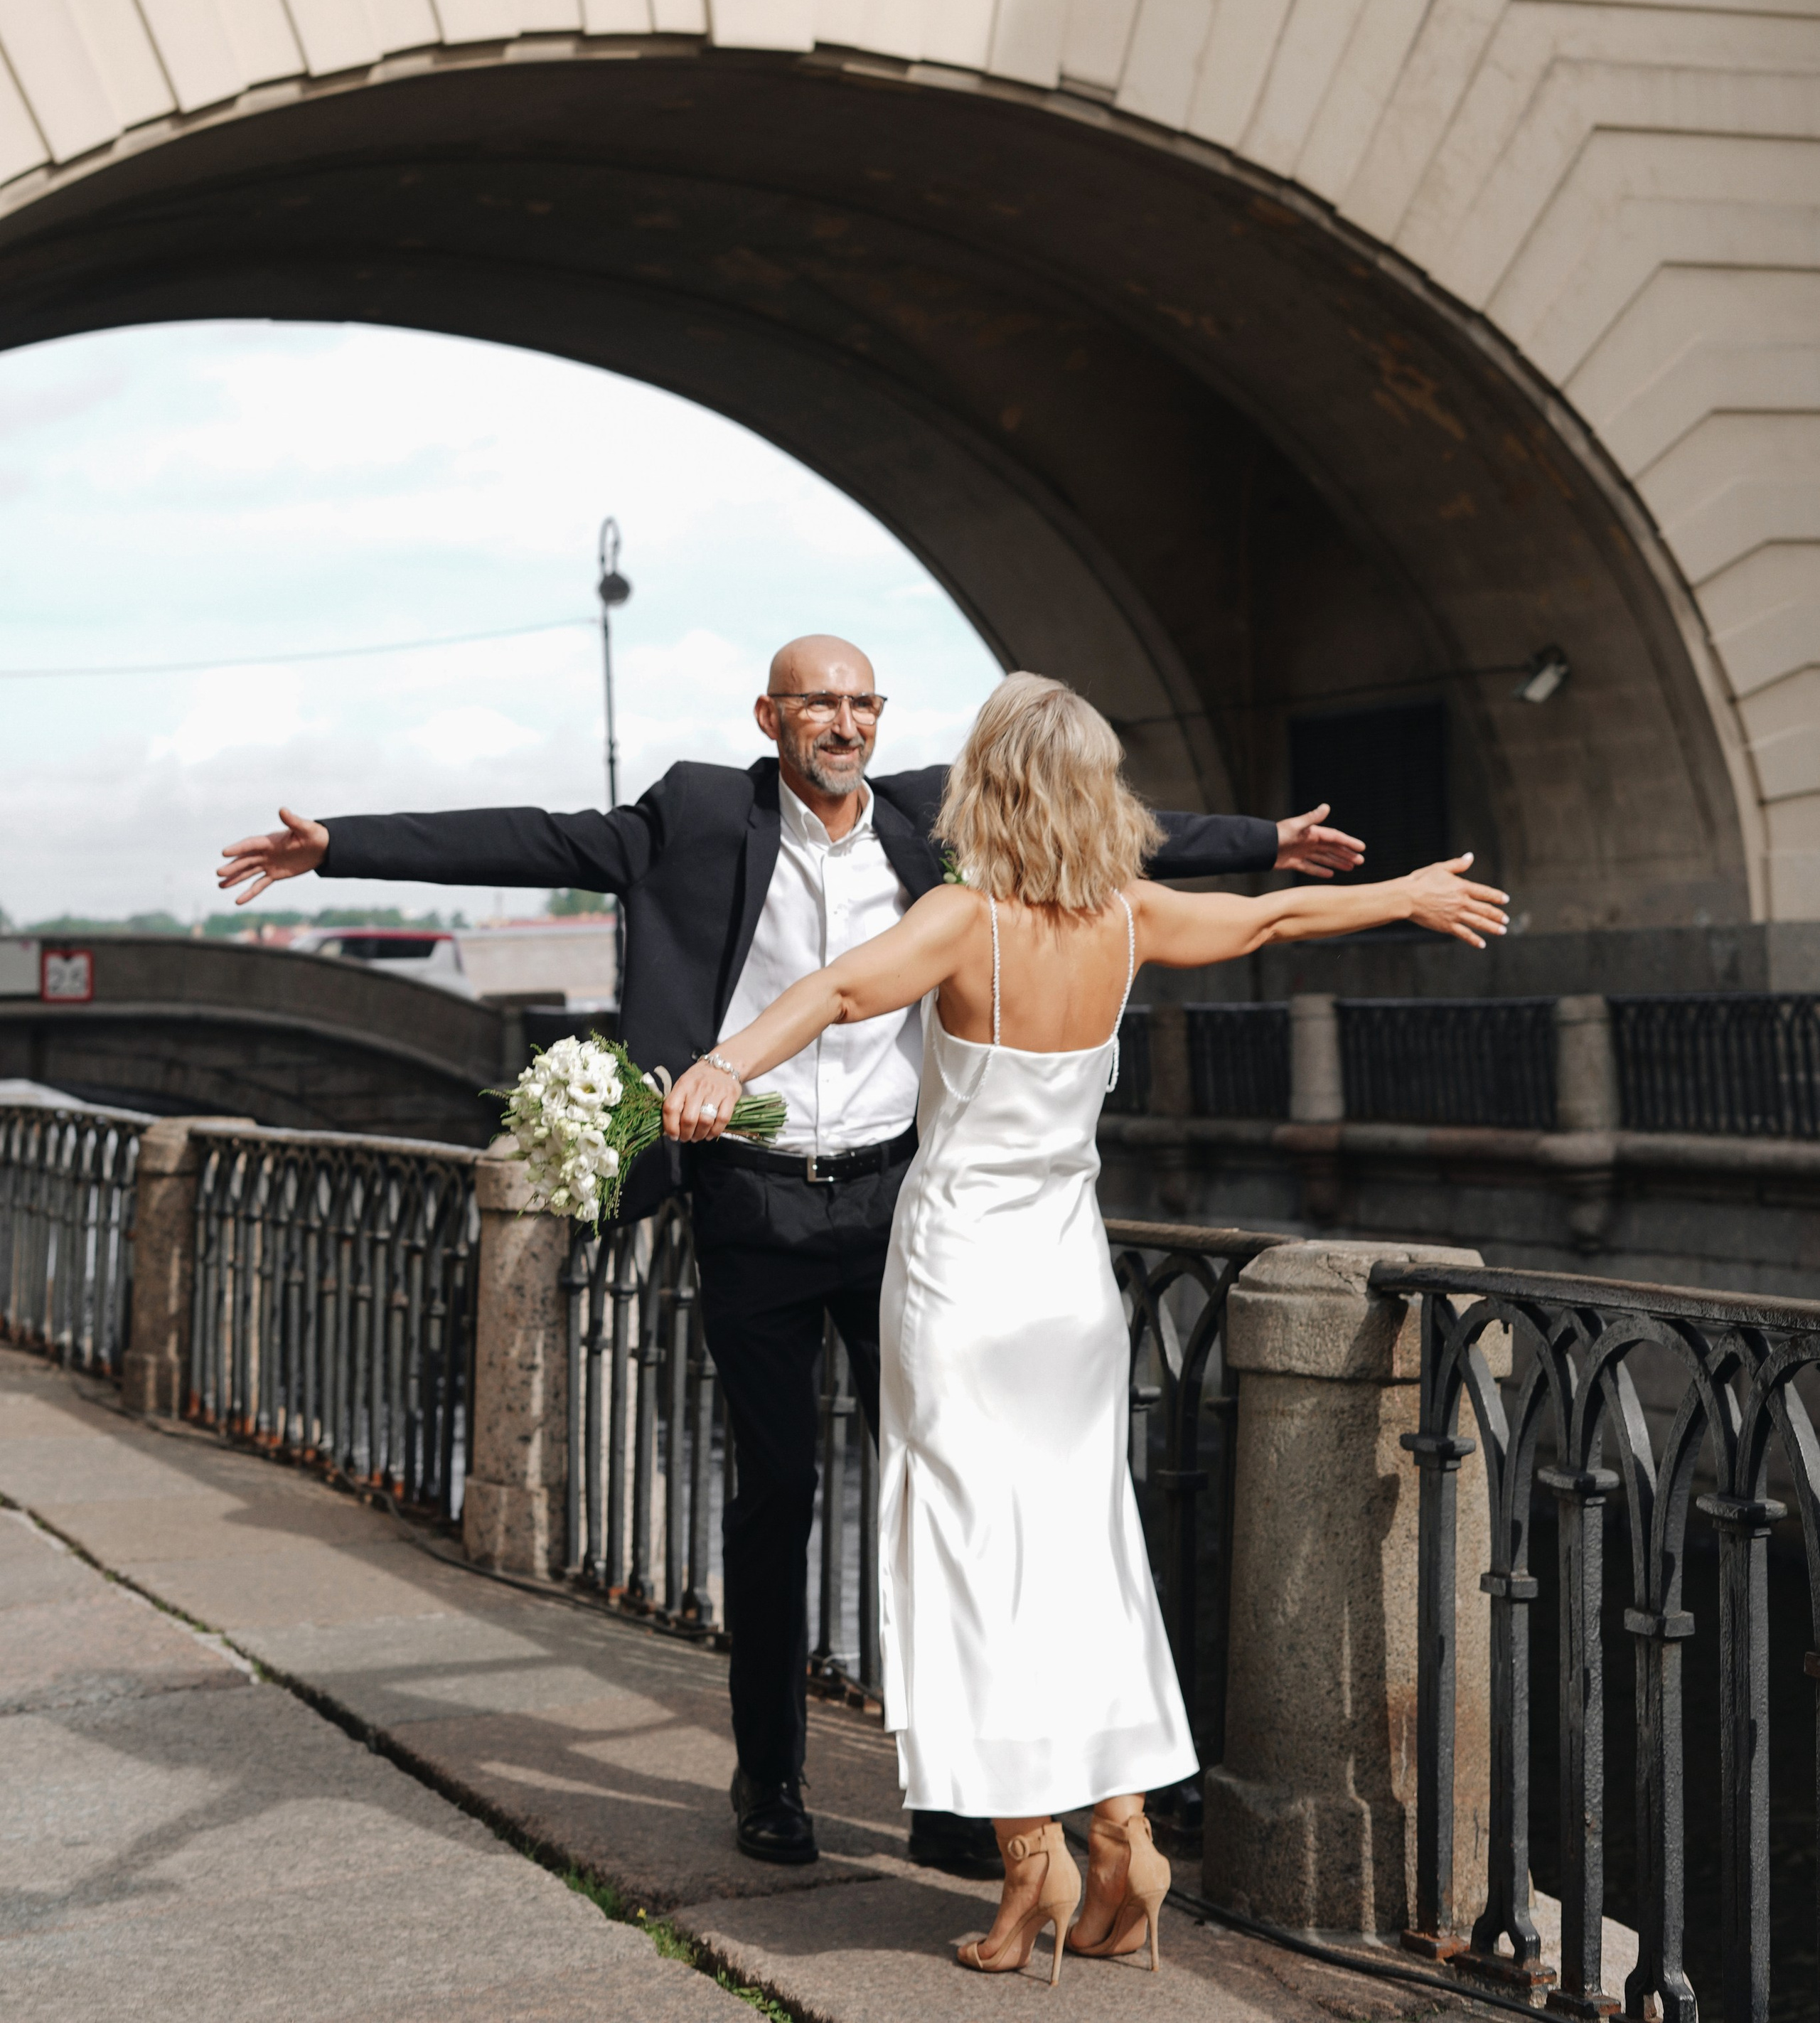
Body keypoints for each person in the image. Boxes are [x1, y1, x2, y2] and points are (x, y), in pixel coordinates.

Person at [216, 635, 1365, 1881]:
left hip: (899, 1214)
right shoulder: (699, 816)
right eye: (819, 702)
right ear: (770, 716)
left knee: (936, 1499)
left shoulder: (931, 823)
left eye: (863, 702)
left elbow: (1095, 821)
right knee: (776, 1496)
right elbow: (537, 840)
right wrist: (339, 845)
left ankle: (952, 1793)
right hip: (753, 1206)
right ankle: (770, 1777)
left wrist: (1263, 840)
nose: (845, 722)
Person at [658, 671, 1507, 1982]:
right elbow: (1276, 915)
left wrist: (722, 1066)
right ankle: (1124, 1841)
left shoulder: (963, 921)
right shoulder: (1129, 918)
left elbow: (833, 994)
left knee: (968, 1561)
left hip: (960, 1278)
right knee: (1083, 1554)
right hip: (1069, 1289)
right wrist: (1405, 895)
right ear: (1097, 795)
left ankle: (1029, 1867)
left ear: (990, 791)